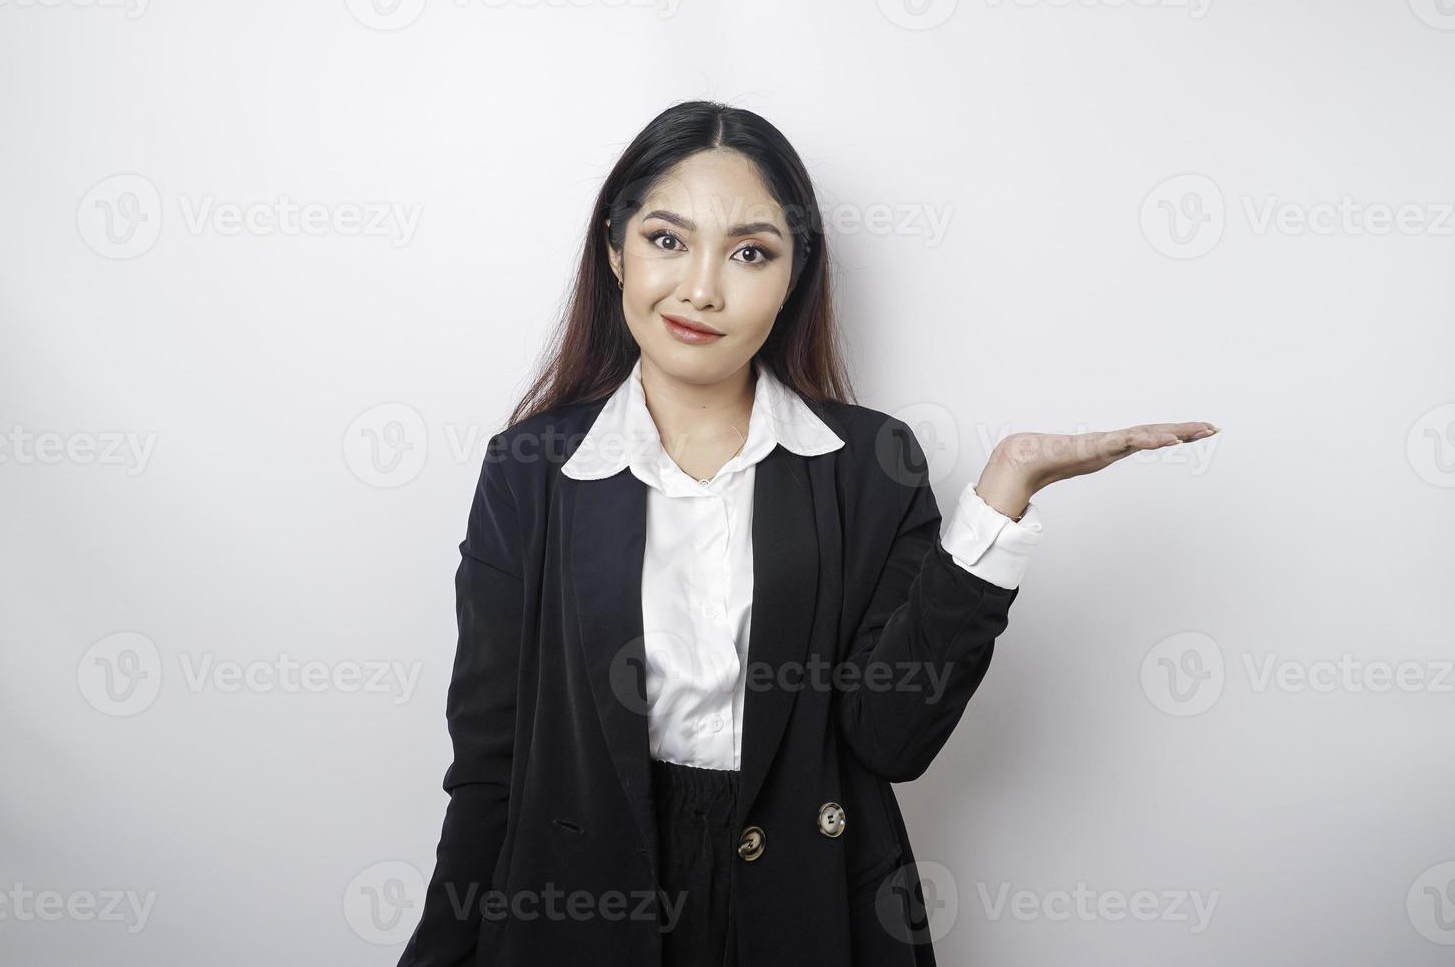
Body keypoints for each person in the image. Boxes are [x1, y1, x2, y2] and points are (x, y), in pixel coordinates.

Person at [395, 100, 1218, 967]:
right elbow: (490, 762)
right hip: (577, 910)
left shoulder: (868, 462)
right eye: (667, 240)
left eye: (750, 252)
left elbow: (891, 739)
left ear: (794, 277)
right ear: (615, 249)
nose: (702, 288)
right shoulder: (532, 467)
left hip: (806, 901)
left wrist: (1001, 498)